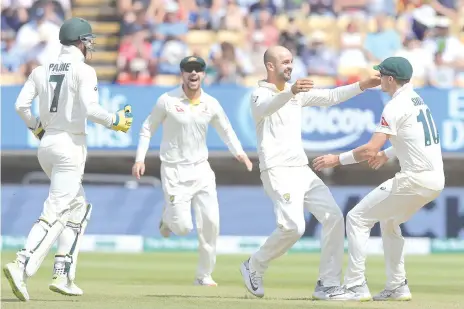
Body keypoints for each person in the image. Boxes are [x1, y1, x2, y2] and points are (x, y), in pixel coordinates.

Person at [3, 17, 134, 302]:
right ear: (80, 42)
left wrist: (36, 126)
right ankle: (22, 263)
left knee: (78, 210)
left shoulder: (40, 69)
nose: (91, 46)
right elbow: (91, 109)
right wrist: (116, 122)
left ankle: (63, 274)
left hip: (47, 143)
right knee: (55, 211)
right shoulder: (84, 71)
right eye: (89, 41)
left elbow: (19, 105)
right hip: (69, 147)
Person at [239, 45, 381, 299]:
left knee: (334, 218)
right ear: (270, 66)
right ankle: (254, 265)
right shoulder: (259, 94)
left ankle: (327, 284)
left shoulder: (298, 94)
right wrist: (291, 91)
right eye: (284, 62)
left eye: (291, 61)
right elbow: (267, 108)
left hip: (301, 170)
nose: (290, 65)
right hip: (277, 170)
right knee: (293, 228)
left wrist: (363, 84)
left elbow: (331, 97)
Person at [313, 56, 444, 301]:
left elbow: (368, 150)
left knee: (357, 217)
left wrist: (336, 160)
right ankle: (397, 286)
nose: (379, 78)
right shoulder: (417, 100)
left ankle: (355, 286)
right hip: (435, 181)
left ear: (391, 79)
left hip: (414, 179)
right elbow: (414, 139)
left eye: (381, 75)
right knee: (389, 222)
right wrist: (387, 154)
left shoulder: (394, 106)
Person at [132, 56, 252, 286]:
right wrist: (140, 159)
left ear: (204, 75)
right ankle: (167, 219)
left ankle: (204, 275)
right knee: (183, 227)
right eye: (189, 70)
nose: (194, 74)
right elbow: (147, 128)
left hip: (201, 171)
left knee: (211, 223)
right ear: (182, 74)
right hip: (174, 171)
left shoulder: (211, 103)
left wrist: (240, 153)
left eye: (198, 70)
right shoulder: (166, 100)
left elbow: (226, 130)